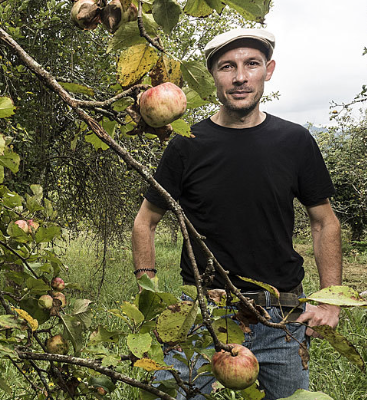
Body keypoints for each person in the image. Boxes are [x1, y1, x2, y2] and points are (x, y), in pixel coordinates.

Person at [131, 28, 343, 400]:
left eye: (252, 64)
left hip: (281, 317)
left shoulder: (295, 141)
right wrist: (149, 294)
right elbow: (144, 222)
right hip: (203, 315)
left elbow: (324, 221)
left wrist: (329, 299)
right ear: (213, 76)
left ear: (269, 69)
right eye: (228, 67)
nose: (240, 77)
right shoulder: (186, 145)